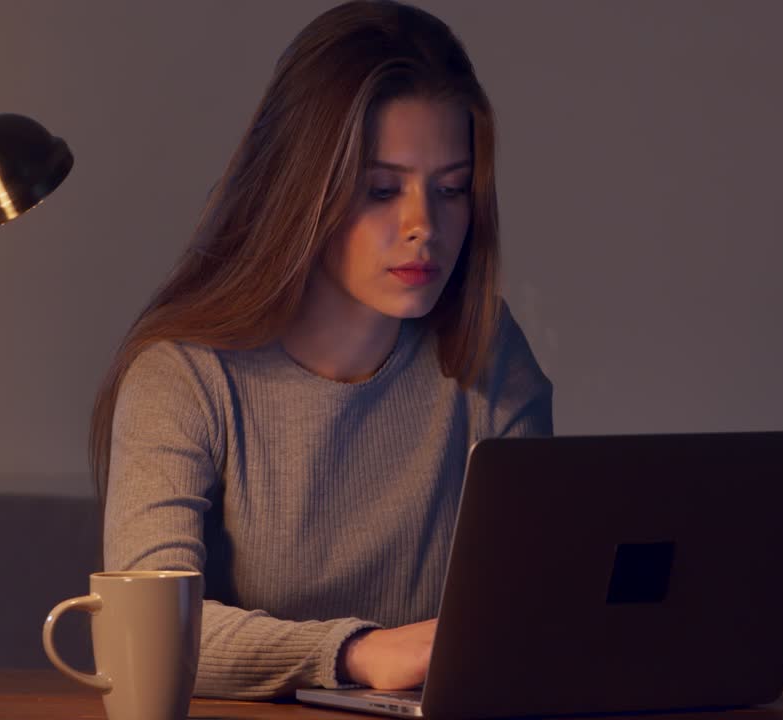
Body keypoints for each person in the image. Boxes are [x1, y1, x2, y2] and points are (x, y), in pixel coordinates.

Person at [89, 0, 553, 700]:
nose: (423, 226)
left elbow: (538, 609)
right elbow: (144, 638)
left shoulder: (488, 352)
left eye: (451, 189)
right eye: (381, 189)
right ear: (305, 189)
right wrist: (356, 653)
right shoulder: (184, 377)